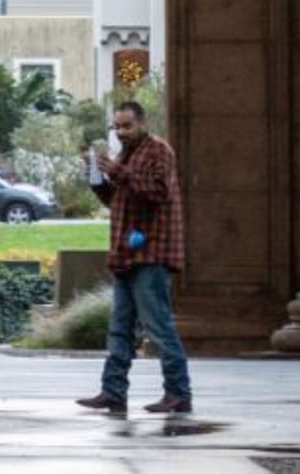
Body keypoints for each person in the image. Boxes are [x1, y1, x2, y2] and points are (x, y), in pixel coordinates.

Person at [77, 101, 192, 414]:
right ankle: (113, 391)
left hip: (153, 252)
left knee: (159, 326)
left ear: (142, 123)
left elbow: (158, 192)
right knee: (120, 327)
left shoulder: (159, 150)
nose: (121, 132)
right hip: (127, 254)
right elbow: (118, 199)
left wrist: (119, 172)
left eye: (127, 126)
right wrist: (97, 179)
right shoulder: (126, 155)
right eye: (117, 126)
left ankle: (178, 394)